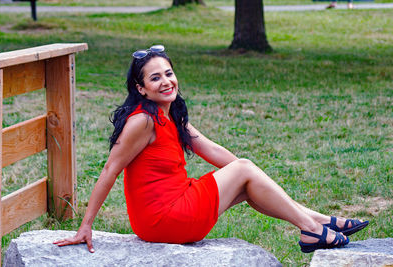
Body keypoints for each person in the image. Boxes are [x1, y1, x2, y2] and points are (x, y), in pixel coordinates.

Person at [54, 45, 368, 254]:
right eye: (155, 78)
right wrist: (86, 225)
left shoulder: (170, 114)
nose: (166, 82)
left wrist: (250, 176)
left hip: (172, 208)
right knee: (245, 172)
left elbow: (213, 150)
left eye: (169, 73)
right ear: (141, 88)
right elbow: (110, 169)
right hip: (164, 218)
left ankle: (316, 221)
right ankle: (313, 228)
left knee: (248, 182)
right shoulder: (142, 122)